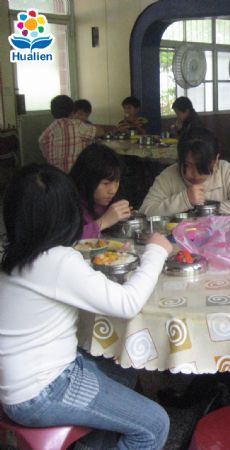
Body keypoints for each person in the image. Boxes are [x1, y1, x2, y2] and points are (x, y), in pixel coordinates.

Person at [0, 164, 171, 450]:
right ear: (67, 214)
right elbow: (128, 304)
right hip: (43, 391)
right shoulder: (56, 260)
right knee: (155, 426)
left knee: (123, 369)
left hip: (24, 380)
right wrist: (156, 251)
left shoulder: (13, 254)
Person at [140, 127, 230, 217]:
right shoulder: (168, 175)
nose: (193, 174)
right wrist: (184, 199)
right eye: (187, 165)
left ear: (216, 160)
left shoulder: (225, 171)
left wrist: (205, 208)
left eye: (201, 167)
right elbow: (145, 211)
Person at [69, 144, 131, 239]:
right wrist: (105, 221)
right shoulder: (69, 204)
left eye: (117, 181)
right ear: (86, 180)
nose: (112, 191)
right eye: (105, 183)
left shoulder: (105, 203)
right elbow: (67, 239)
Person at [39, 95, 105, 172]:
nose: (82, 117)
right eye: (80, 113)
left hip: (56, 176)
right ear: (72, 111)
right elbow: (101, 132)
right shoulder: (77, 125)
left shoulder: (46, 134)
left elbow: (47, 156)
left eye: (85, 115)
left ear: (52, 112)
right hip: (77, 175)